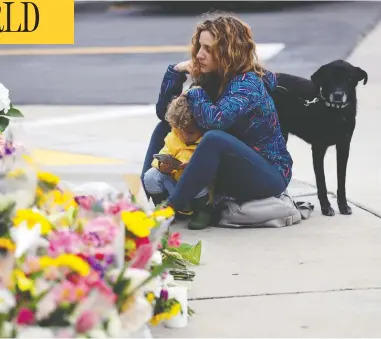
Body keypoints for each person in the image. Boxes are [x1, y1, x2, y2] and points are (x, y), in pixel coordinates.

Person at [141, 14, 293, 229]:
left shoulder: (246, 84)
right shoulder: (214, 77)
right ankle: (150, 190)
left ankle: (171, 208)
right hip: (229, 169)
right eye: (200, 47)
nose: (200, 55)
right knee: (168, 126)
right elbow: (166, 114)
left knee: (214, 138)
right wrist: (175, 73)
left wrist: (195, 92)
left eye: (209, 49)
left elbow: (216, 122)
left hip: (267, 173)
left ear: (229, 52)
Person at [143, 95, 212, 229]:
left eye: (190, 132)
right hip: (174, 184)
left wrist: (193, 167)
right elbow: (163, 153)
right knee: (151, 176)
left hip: (196, 189)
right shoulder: (173, 137)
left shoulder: (206, 140)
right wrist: (162, 166)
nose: (185, 136)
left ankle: (202, 211)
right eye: (181, 132)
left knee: (196, 177)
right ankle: (165, 209)